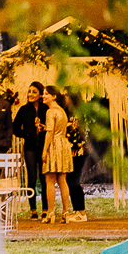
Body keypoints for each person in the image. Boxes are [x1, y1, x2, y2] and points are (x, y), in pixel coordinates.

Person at [12, 82, 48, 218]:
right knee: (32, 178)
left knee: (45, 178)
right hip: (30, 148)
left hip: (45, 147)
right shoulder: (23, 110)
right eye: (29, 92)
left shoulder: (46, 108)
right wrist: (27, 133)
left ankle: (45, 209)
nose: (30, 94)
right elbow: (15, 128)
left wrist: (44, 129)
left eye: (34, 92)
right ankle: (33, 209)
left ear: (40, 94)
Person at [55, 88, 88, 222]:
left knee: (74, 181)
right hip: (70, 150)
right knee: (70, 180)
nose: (64, 97)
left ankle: (81, 211)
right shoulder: (67, 112)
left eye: (66, 95)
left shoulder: (78, 113)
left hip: (78, 150)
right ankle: (77, 210)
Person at [41, 90, 74, 223]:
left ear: (54, 96)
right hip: (64, 144)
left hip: (54, 144)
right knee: (62, 179)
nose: (43, 96)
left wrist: (44, 151)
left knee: (49, 179)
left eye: (46, 94)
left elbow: (50, 133)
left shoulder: (50, 112)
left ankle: (50, 212)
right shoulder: (62, 111)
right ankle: (66, 212)